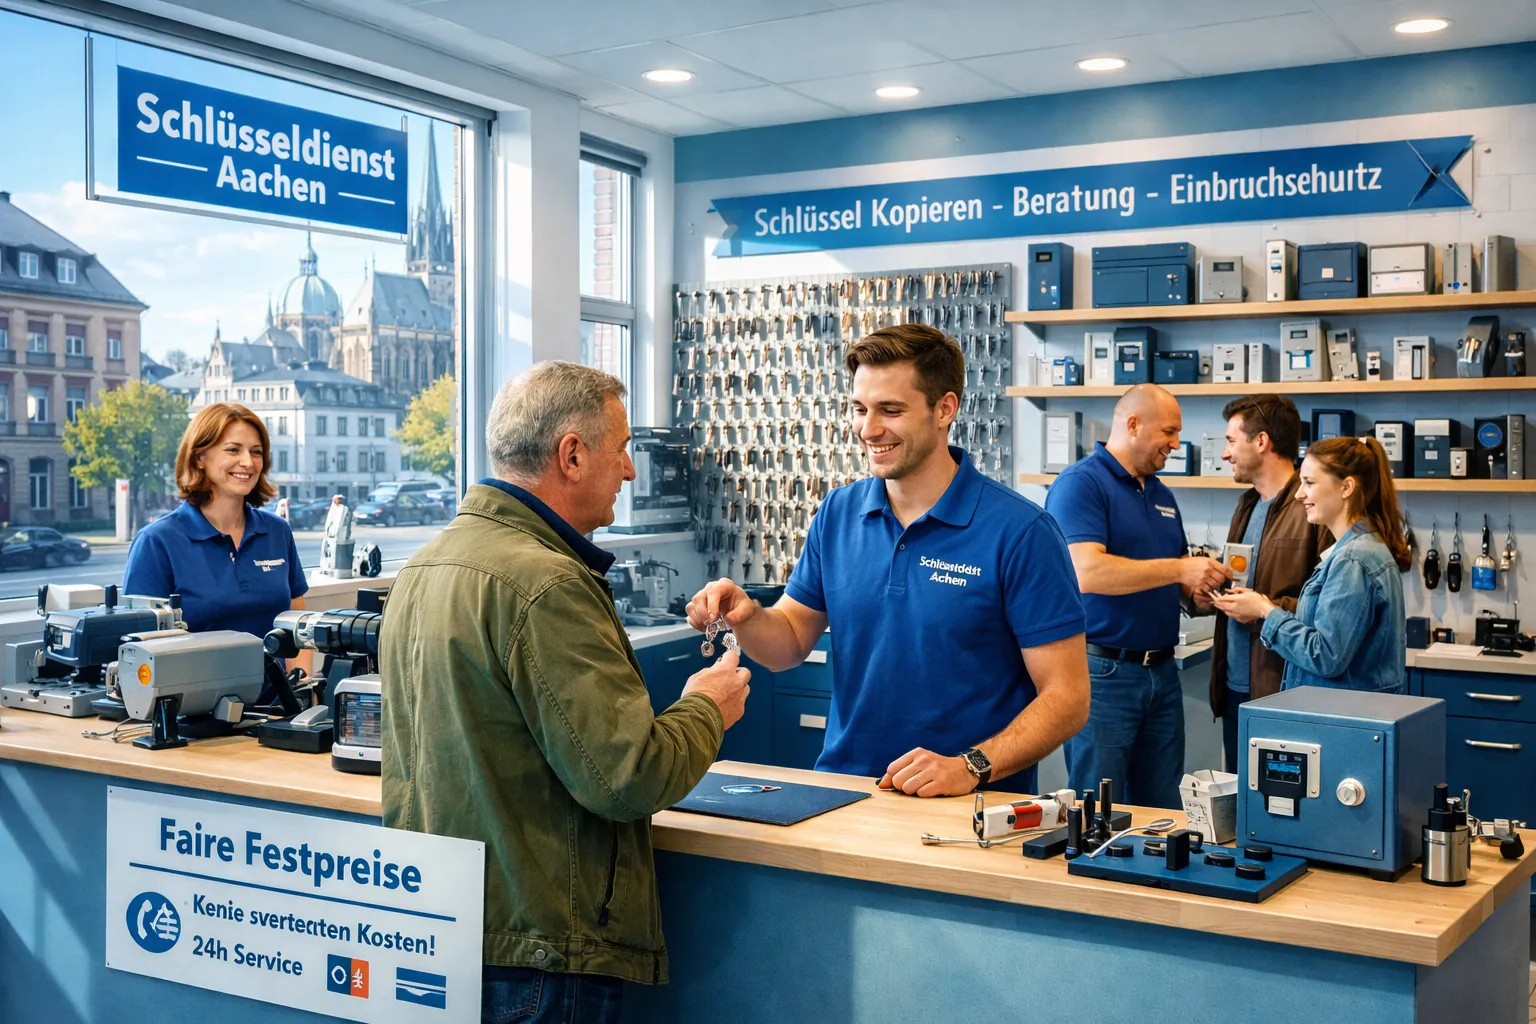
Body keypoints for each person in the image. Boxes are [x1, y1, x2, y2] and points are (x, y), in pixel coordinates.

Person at [379, 361, 750, 1024]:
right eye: (623, 449)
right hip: (541, 950)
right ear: (572, 455)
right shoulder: (547, 584)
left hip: (444, 926)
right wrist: (705, 708)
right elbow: (627, 777)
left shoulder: (424, 567)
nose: (631, 471)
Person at [687, 323, 1089, 798]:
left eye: (891, 410)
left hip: (969, 806)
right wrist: (749, 615)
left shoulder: (1021, 532)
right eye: (859, 409)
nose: (868, 429)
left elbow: (1067, 698)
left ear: (945, 409)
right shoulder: (839, 512)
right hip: (844, 790)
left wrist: (971, 765)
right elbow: (791, 640)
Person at [1043, 384, 1232, 808]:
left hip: (1162, 674)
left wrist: (1196, 595)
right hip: (1104, 674)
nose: (1175, 444)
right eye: (1169, 431)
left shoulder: (1162, 494)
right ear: (1133, 424)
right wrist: (1183, 569)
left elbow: (1172, 578)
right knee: (1098, 807)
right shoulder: (1080, 485)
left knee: (1161, 806)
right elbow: (1085, 571)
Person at [1213, 436, 1409, 694]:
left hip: (1342, 719)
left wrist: (1265, 610)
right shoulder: (1355, 550)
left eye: (1309, 483)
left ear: (1346, 487)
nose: (1298, 493)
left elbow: (1325, 656)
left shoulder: (1353, 559)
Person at [1209, 395, 1331, 771]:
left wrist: (1263, 608)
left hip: (1285, 692)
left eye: (1231, 441)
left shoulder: (1314, 510)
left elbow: (1329, 611)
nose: (1226, 454)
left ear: (1261, 442)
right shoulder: (1246, 505)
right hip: (1235, 689)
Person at [122, 402, 308, 638]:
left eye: (256, 451)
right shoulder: (156, 541)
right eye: (233, 450)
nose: (248, 462)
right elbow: (140, 644)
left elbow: (296, 620)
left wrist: (300, 676)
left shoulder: (277, 531)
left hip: (273, 677)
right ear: (200, 456)